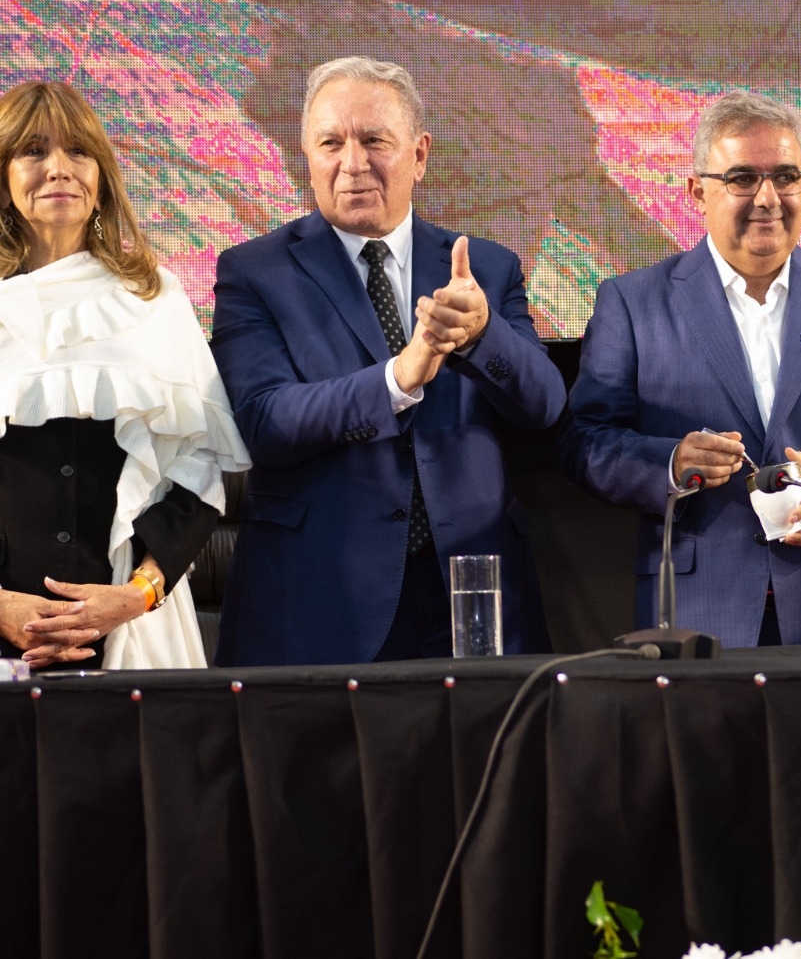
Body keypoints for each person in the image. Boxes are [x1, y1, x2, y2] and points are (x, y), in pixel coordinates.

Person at [210, 57, 565, 665]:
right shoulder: (254, 272)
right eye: (331, 143)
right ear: (307, 156)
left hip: (469, 590)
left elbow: (545, 405)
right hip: (322, 595)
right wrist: (396, 380)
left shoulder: (486, 266)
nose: (353, 163)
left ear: (419, 155)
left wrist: (482, 334)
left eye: (375, 140)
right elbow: (266, 422)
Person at [0, 81, 248, 668]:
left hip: (134, 632)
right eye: (33, 151)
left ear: (100, 176)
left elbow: (199, 472)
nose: (59, 168)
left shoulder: (152, 299)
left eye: (78, 151)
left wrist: (136, 595)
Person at [560, 90, 801, 647]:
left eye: (786, 177)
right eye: (742, 178)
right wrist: (670, 463)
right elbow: (585, 441)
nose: (768, 198)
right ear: (698, 192)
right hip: (697, 610)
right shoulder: (633, 304)